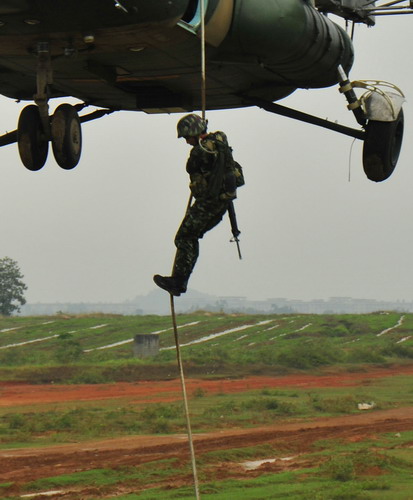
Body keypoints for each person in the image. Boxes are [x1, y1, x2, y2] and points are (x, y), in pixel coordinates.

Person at [153, 113, 240, 296]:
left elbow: (192, 167)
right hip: (222, 203)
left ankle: (178, 281)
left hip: (208, 203)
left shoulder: (201, 151)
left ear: (194, 132)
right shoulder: (221, 142)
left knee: (184, 237)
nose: (187, 142)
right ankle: (180, 280)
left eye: (187, 137)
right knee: (190, 236)